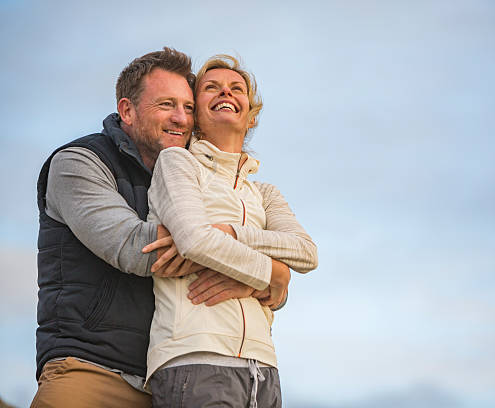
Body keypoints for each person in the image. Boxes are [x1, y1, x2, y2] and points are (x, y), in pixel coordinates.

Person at [32, 48, 313, 408]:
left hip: (166, 378)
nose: (180, 117)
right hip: (91, 370)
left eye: (188, 107)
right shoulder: (79, 163)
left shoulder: (206, 178)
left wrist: (267, 274)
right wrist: (267, 272)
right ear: (127, 110)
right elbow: (136, 248)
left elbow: (294, 252)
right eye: (166, 104)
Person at [144, 54, 317, 407]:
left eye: (237, 89)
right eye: (211, 88)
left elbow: (305, 252)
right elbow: (195, 241)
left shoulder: (265, 193)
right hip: (195, 356)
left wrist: (236, 234)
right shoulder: (177, 163)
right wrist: (270, 275)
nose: (226, 92)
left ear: (250, 116)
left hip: (263, 366)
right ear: (195, 115)